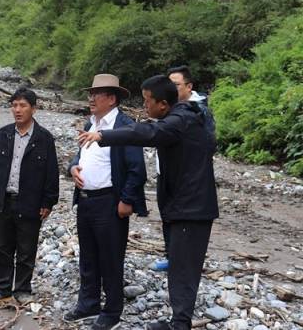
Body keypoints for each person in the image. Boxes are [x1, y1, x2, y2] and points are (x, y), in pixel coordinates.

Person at [79, 75, 219, 330]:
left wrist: (104, 136)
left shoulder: (180, 120)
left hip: (191, 208)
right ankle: (179, 321)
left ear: (163, 104)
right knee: (178, 264)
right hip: (181, 206)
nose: (144, 107)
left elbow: (147, 132)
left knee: (184, 269)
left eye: (147, 101)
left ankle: (180, 324)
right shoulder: (179, 117)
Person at [63, 74, 147, 330]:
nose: (91, 98)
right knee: (88, 256)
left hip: (110, 201)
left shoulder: (124, 125)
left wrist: (126, 200)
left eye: (96, 93)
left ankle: (112, 310)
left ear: (111, 98)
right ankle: (88, 303)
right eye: (91, 93)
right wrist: (73, 168)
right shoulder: (91, 123)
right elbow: (79, 157)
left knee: (111, 258)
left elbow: (137, 169)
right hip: (86, 200)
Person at [0, 87, 59, 304]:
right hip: (5, 199)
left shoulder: (44, 139)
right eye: (14, 105)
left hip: (31, 202)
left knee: (26, 249)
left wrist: (48, 201)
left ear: (33, 108)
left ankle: (22, 289)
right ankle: (2, 287)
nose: (17, 110)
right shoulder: (3, 134)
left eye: (23, 105)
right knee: (3, 247)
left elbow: (52, 173)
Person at [151, 66, 216, 272]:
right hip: (165, 173)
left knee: (182, 219)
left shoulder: (199, 111)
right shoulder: (170, 108)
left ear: (189, 86)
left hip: (186, 176)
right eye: (170, 85)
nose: (172, 88)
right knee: (166, 214)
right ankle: (171, 256)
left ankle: (184, 261)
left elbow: (208, 143)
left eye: (176, 85)